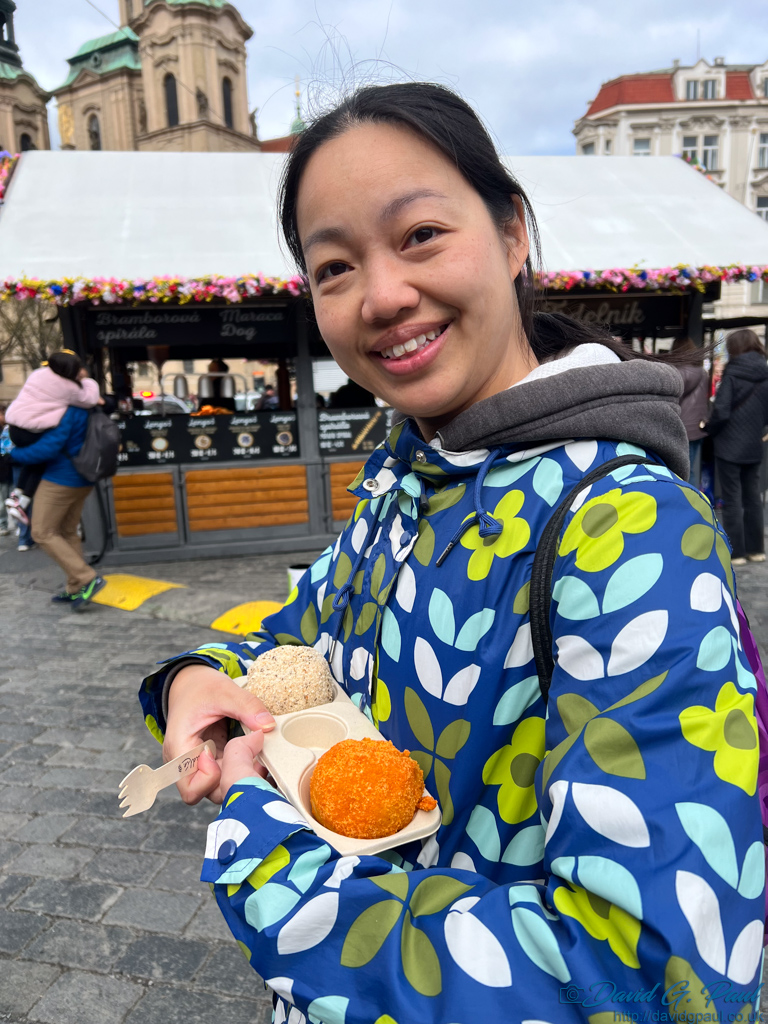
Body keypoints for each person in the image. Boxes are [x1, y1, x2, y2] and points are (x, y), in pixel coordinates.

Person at [139, 84, 764, 1023]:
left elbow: (667, 982)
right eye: (335, 267)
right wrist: (196, 678)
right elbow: (295, 639)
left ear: (513, 233)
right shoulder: (411, 473)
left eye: (421, 234)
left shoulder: (631, 530)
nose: (383, 295)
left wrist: (261, 852)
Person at [11, 402, 105, 609]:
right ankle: (75, 586)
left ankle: (87, 578)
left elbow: (48, 449)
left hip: (60, 479)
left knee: (42, 532)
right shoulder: (83, 406)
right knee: (67, 531)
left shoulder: (64, 410)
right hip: (83, 477)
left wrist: (12, 456)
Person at [4, 350, 101, 526]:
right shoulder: (68, 389)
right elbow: (90, 398)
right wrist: (88, 381)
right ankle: (23, 500)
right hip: (31, 429)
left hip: (14, 426)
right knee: (41, 460)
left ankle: (17, 494)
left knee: (33, 462)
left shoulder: (38, 374)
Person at [706, 328, 768, 565]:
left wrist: (709, 426)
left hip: (729, 444)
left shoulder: (732, 374)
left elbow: (720, 411)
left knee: (732, 499)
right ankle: (756, 550)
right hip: (753, 444)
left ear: (734, 348)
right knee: (753, 497)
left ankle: (737, 553)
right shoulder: (765, 373)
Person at [669, 337, 709, 487]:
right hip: (698, 428)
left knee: (683, 471)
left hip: (684, 427)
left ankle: (689, 503)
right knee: (691, 469)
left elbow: (674, 400)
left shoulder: (678, 372)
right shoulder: (703, 372)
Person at [0, 404, 11, 536]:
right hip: (2, 470)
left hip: (10, 468)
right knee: (2, 502)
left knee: (13, 498)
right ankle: (3, 524)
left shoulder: (9, 429)